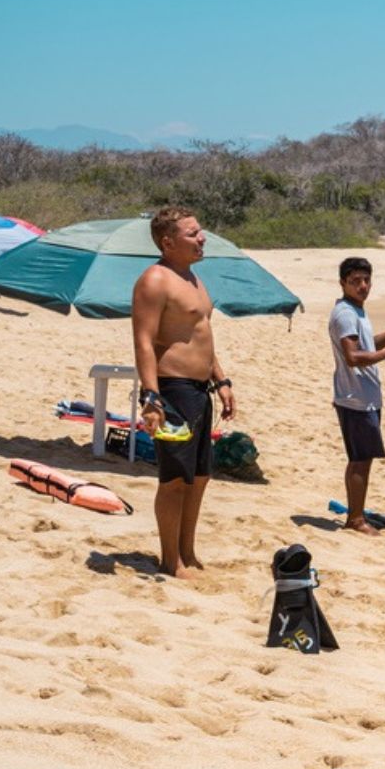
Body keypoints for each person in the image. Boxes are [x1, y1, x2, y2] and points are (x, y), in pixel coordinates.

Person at [131, 205, 235, 578]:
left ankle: (187, 551)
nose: (201, 238)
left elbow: (201, 334)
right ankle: (169, 559)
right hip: (172, 389)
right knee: (174, 479)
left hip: (199, 390)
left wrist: (220, 380)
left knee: (200, 476)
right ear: (168, 241)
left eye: (200, 231)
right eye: (193, 234)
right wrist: (151, 397)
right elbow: (143, 342)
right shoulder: (154, 280)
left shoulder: (193, 278)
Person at [327, 258, 385, 535]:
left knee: (362, 458)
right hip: (355, 398)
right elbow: (353, 356)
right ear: (343, 283)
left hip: (363, 397)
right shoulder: (346, 314)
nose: (362, 286)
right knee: (361, 459)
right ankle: (356, 519)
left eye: (366, 280)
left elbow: (367, 344)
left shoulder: (356, 311)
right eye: (355, 281)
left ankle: (356, 514)